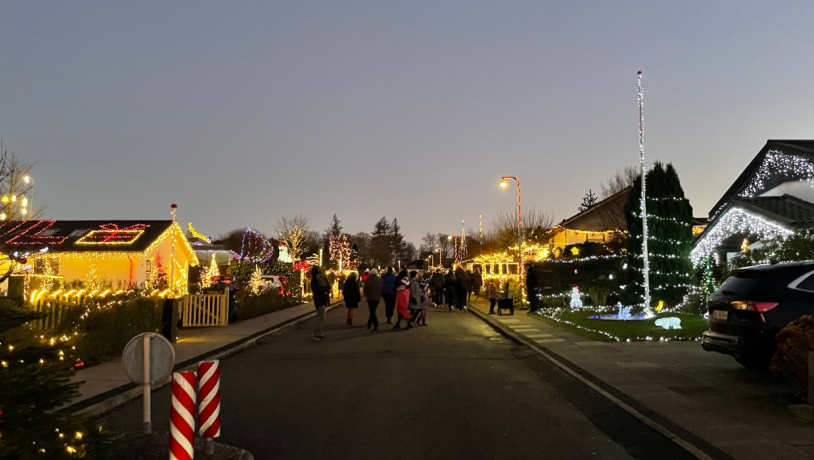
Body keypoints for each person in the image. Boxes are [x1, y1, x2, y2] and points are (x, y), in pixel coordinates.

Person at [310, 266, 330, 341]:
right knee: (321, 317)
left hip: (322, 299)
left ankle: (318, 332)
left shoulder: (320, 280)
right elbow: (318, 290)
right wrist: (325, 290)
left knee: (321, 316)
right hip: (319, 300)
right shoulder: (315, 280)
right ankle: (317, 333)